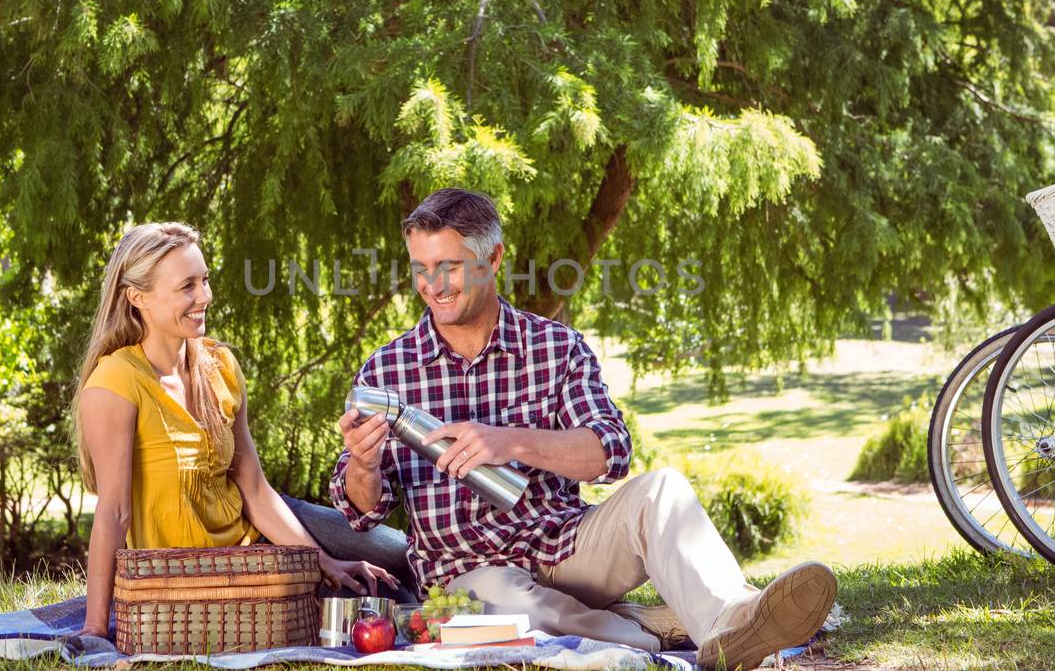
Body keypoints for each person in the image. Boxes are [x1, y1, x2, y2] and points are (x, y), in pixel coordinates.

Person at [332, 190, 836, 670]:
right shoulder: (388, 371)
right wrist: (364, 462)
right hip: (468, 575)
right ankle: (662, 635)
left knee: (662, 491)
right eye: (421, 268)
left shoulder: (554, 347)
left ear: (494, 258)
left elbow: (611, 450)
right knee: (509, 606)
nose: (433, 285)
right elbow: (360, 511)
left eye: (449, 267)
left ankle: (732, 621)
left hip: (565, 546)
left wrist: (511, 440)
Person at [73, 222, 413, 639]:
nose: (204, 297)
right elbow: (114, 511)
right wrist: (94, 627)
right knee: (387, 592)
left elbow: (252, 486)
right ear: (137, 297)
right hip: (201, 569)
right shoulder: (116, 382)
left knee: (399, 554)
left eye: (205, 280)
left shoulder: (219, 365)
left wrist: (320, 559)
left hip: (260, 533)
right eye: (187, 287)